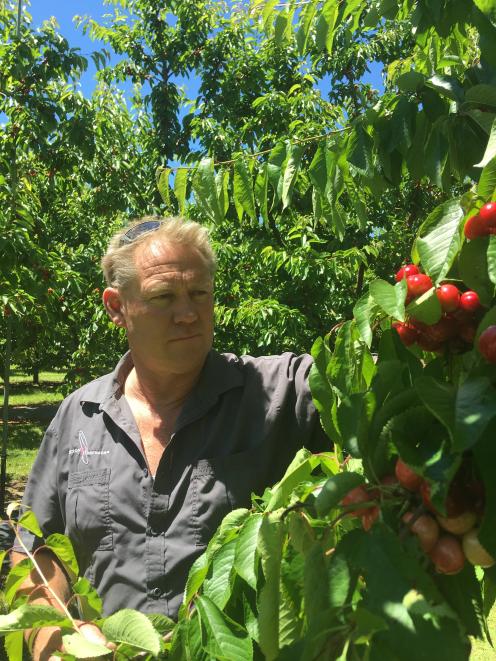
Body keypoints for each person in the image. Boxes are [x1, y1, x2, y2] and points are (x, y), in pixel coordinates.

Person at [13, 216, 329, 659]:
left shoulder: (277, 393)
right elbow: (37, 553)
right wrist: (54, 639)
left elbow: (369, 383)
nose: (188, 314)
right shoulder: (78, 417)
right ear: (116, 306)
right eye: (164, 297)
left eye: (200, 293)